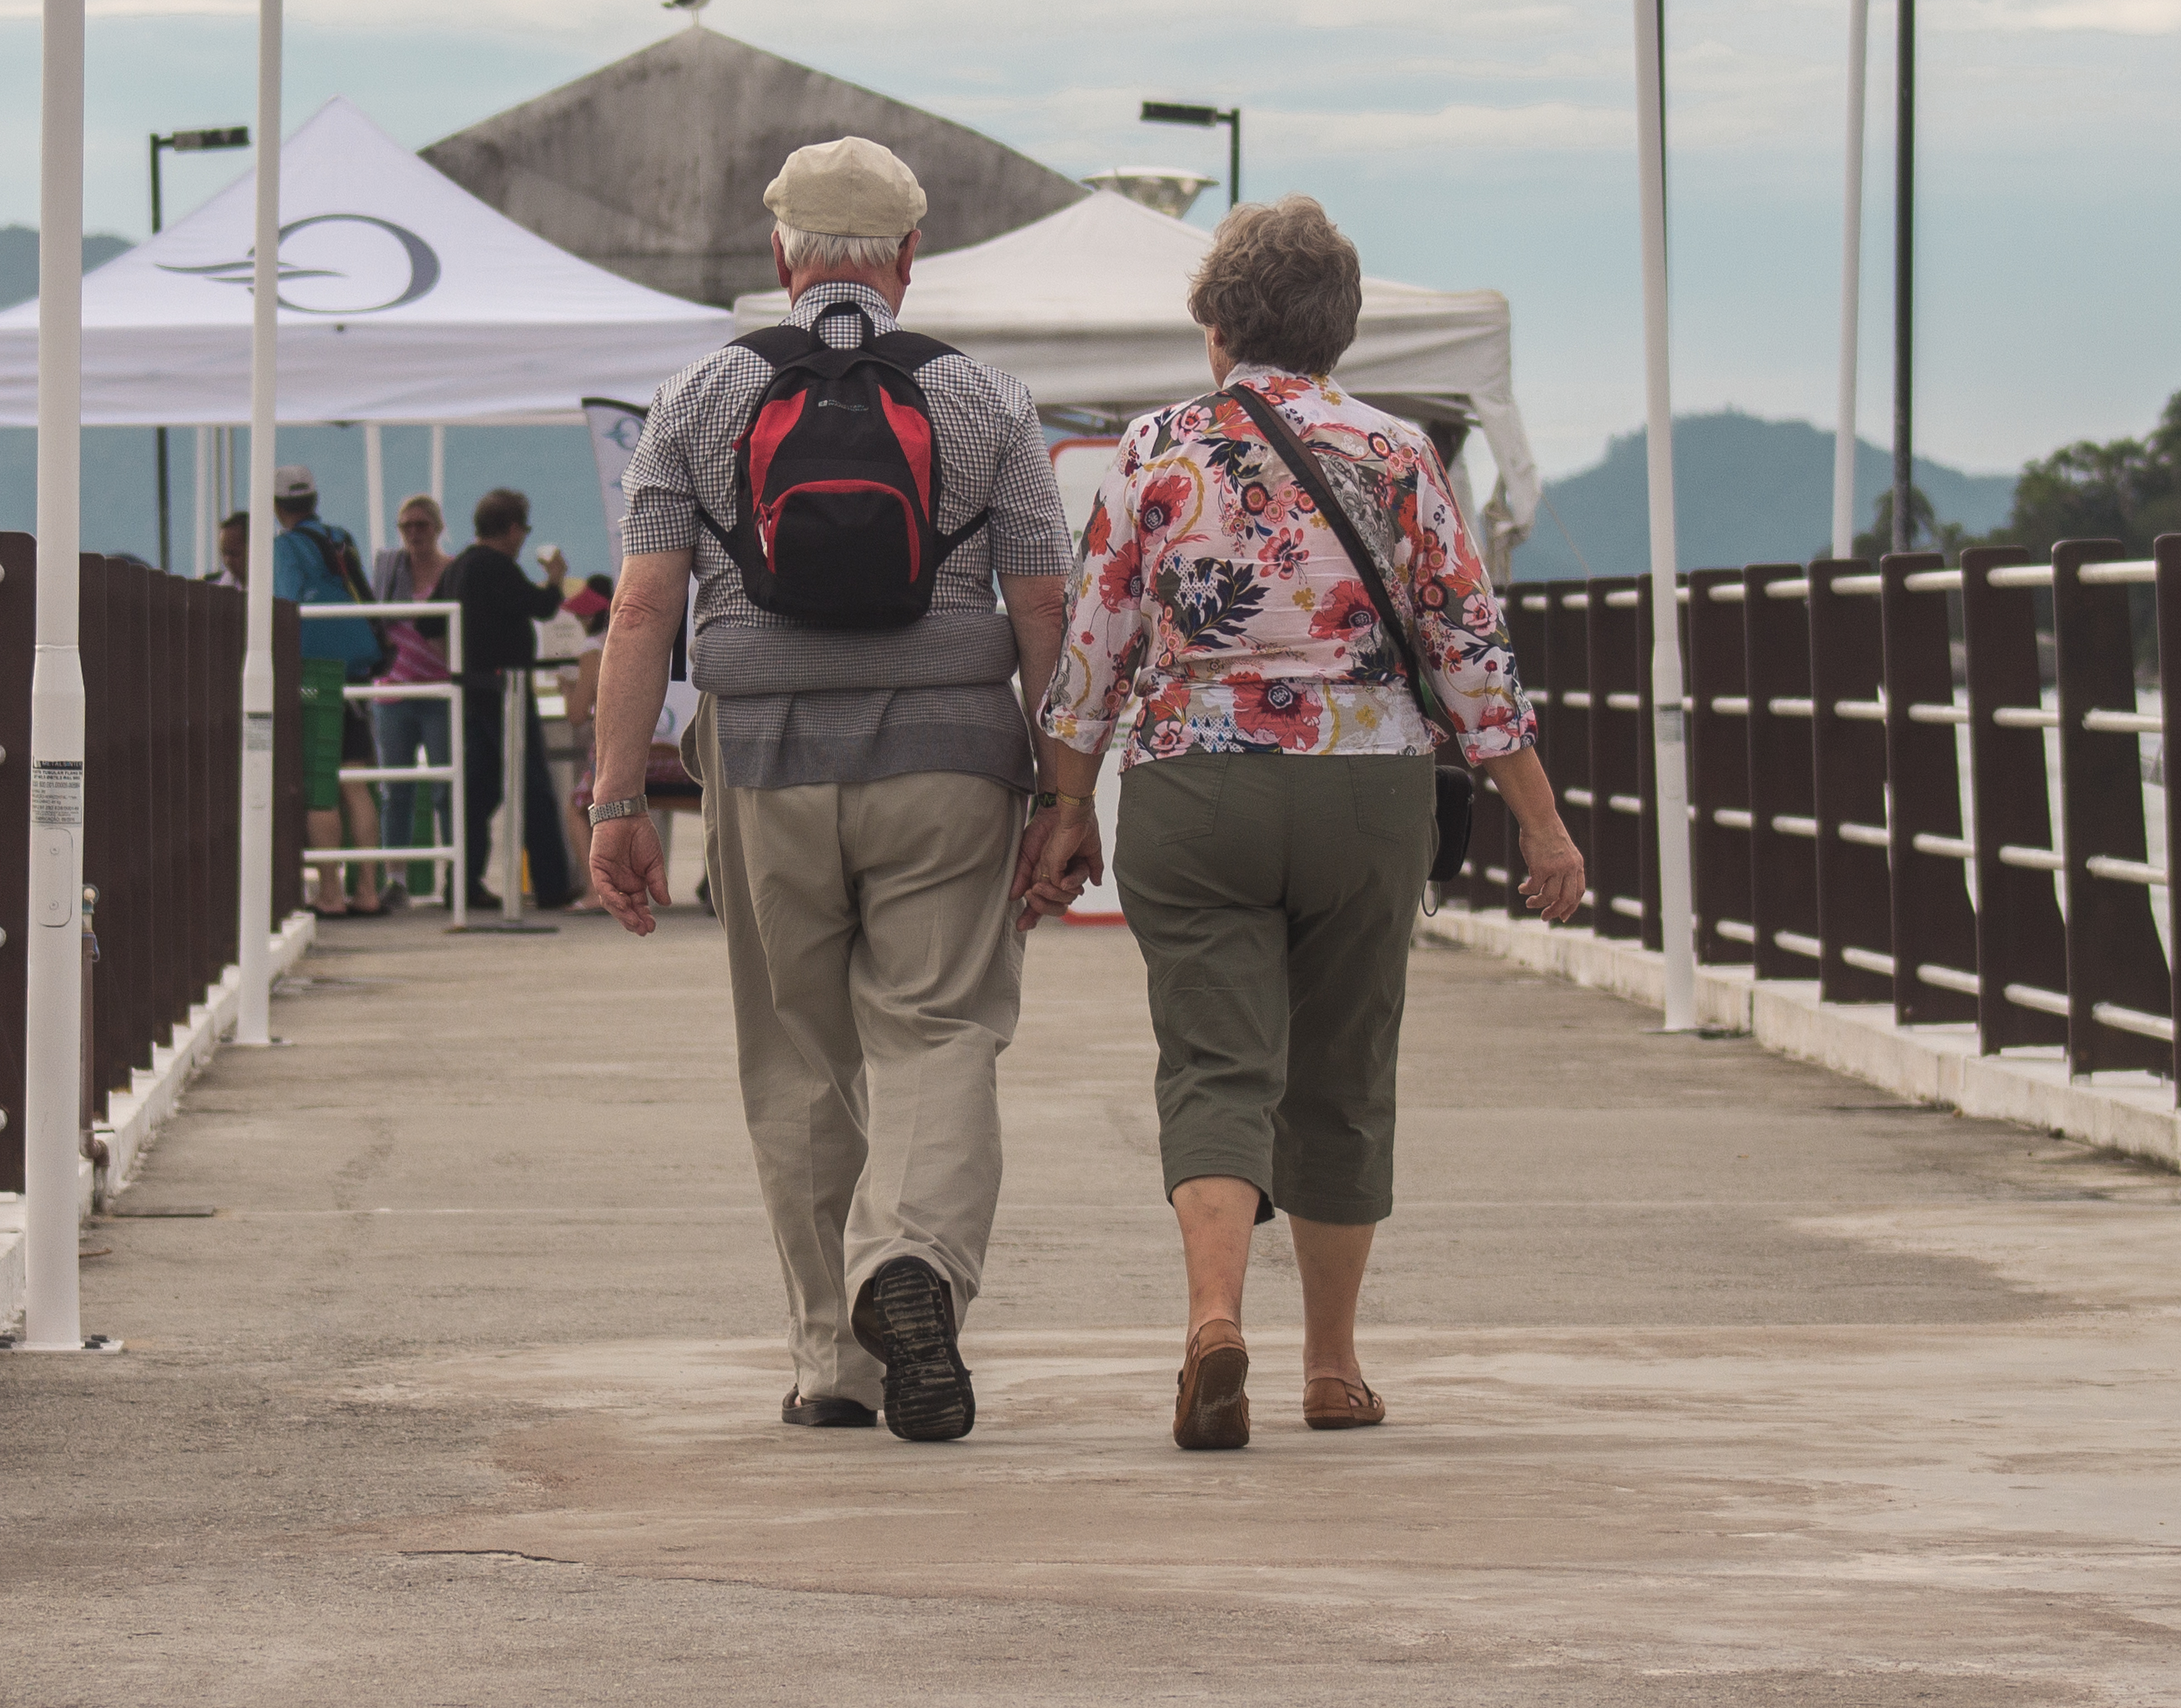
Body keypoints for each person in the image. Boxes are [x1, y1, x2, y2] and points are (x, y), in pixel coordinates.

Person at [1034, 194, 1585, 1452]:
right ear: (1338, 329)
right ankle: (1331, 1367)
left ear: (1218, 323)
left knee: (1215, 1063)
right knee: (1341, 1072)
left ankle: (1211, 1321)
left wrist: (1065, 807)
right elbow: (1470, 657)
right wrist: (1541, 828)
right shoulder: (1398, 456)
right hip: (1364, 788)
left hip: (1194, 784)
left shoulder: (1157, 450)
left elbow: (1092, 650)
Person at [587, 137, 1076, 1444]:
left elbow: (642, 608)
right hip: (950, 757)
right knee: (939, 1026)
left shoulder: (694, 394)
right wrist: (1065, 795)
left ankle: (831, 1362)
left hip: (762, 758)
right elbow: (1042, 603)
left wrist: (615, 799)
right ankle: (905, 1259)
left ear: (780, 253)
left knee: (798, 1049)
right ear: (908, 257)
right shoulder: (987, 401)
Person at [450, 488, 579, 913]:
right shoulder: (496, 567)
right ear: (511, 529)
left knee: (479, 791)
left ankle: (462, 883)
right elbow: (540, 607)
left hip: (471, 687)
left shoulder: (460, 567)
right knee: (532, 787)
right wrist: (556, 579)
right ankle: (551, 884)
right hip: (506, 689)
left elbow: (429, 619)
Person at [272, 467, 387, 916]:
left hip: (314, 671)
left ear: (278, 506)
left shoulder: (286, 547)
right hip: (355, 667)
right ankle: (369, 890)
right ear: (315, 499)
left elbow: (285, 603)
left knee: (321, 784)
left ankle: (330, 893)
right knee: (355, 781)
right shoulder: (340, 537)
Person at [372, 495, 458, 890]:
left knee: (446, 788)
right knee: (397, 789)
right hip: (394, 692)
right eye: (407, 526)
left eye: (422, 525)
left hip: (440, 690)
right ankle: (396, 878)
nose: (415, 533)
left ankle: (455, 873)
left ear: (438, 528)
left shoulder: (451, 572)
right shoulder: (390, 572)